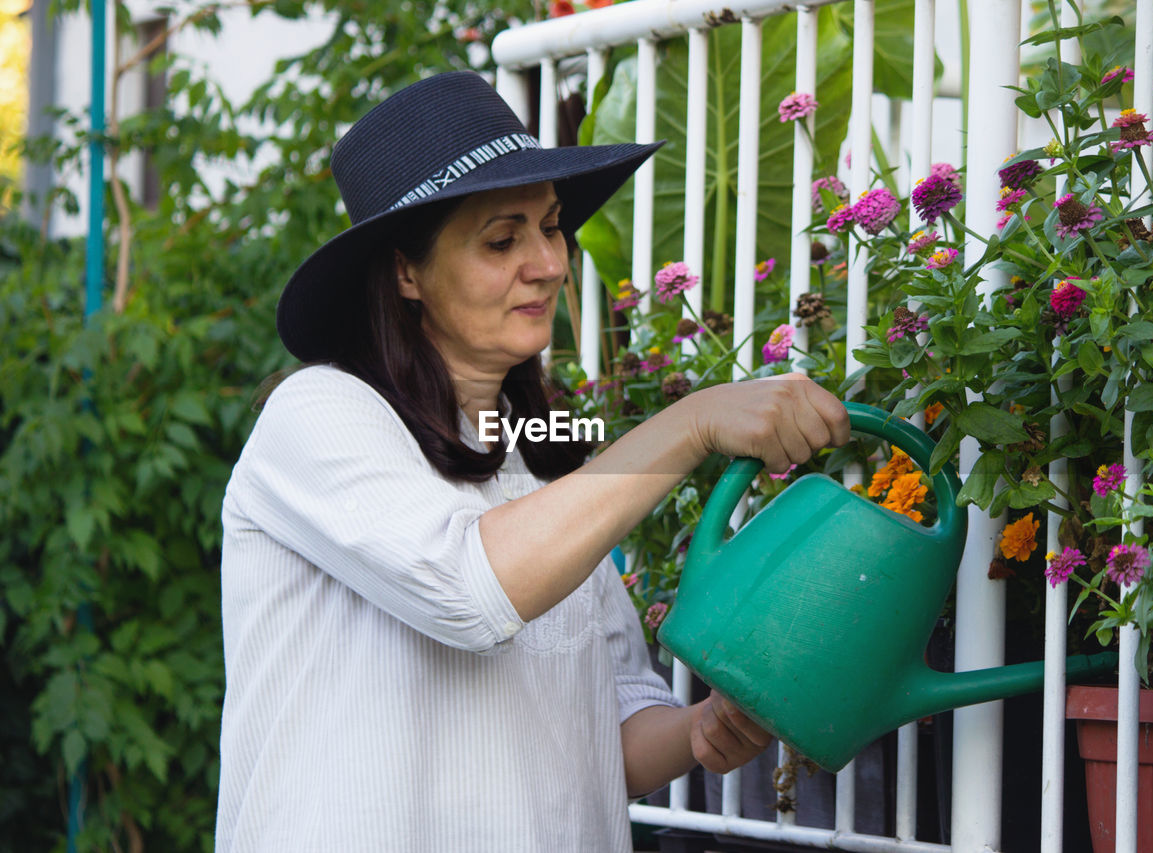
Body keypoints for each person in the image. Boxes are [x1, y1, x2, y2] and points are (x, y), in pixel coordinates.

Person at [216, 71, 850, 852]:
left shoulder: (539, 452)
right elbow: (470, 587)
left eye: (551, 227)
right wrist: (690, 423)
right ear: (406, 271)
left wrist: (702, 726)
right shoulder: (320, 414)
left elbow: (608, 726)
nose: (549, 262)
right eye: (502, 239)